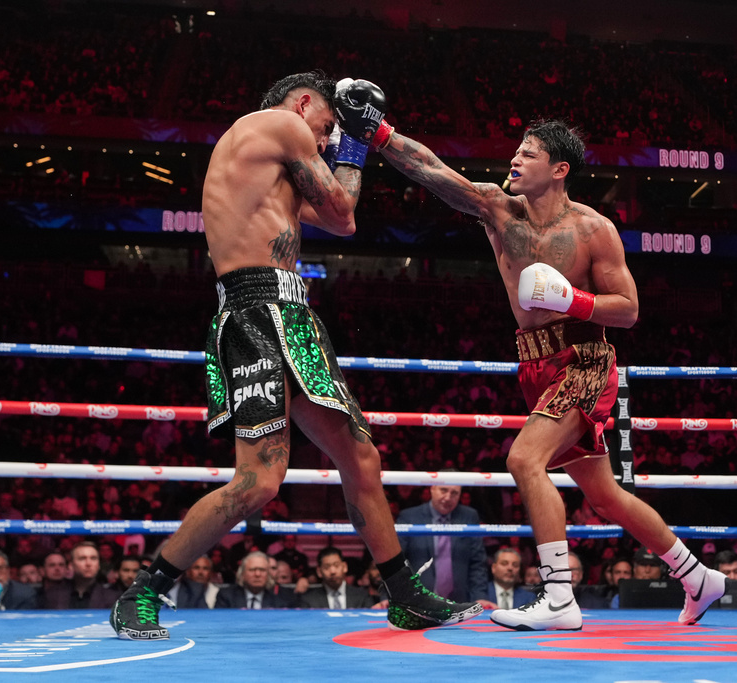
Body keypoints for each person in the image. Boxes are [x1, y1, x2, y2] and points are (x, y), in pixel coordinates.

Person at [108, 71, 481, 640]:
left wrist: (353, 141)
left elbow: (338, 220)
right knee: (258, 482)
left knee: (361, 458)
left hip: (292, 313)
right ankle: (142, 591)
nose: (326, 140)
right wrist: (356, 142)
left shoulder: (269, 170)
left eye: (332, 135)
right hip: (255, 312)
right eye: (327, 126)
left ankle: (406, 597)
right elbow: (344, 211)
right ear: (304, 103)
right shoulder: (281, 125)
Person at [378, 118, 725, 631]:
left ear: (559, 169)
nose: (515, 159)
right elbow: (431, 169)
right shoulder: (498, 209)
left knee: (524, 458)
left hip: (585, 360)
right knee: (603, 495)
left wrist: (572, 300)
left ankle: (559, 598)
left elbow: (628, 309)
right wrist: (379, 134)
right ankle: (697, 576)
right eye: (516, 150)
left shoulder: (592, 229)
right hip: (534, 365)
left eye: (529, 153)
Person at [397, 481, 488, 604]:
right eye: (443, 490)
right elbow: (397, 561)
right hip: (417, 600)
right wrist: (388, 597)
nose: (448, 497)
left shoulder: (469, 516)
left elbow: (477, 561)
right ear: (432, 488)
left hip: (459, 600)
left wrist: (480, 596)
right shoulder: (410, 516)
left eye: (454, 493)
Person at [43, 541, 120, 609]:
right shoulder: (52, 595)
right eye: (82, 558)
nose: (88, 563)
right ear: (71, 564)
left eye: (93, 558)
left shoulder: (112, 597)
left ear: (98, 564)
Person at [215, 552, 300, 609]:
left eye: (262, 570)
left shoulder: (282, 598)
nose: (257, 574)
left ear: (268, 574)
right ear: (242, 573)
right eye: (252, 570)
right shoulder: (226, 596)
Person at [301, 547, 375, 609]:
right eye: (326, 567)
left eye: (336, 565)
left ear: (345, 567)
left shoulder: (362, 596)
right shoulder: (308, 600)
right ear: (319, 571)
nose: (332, 571)